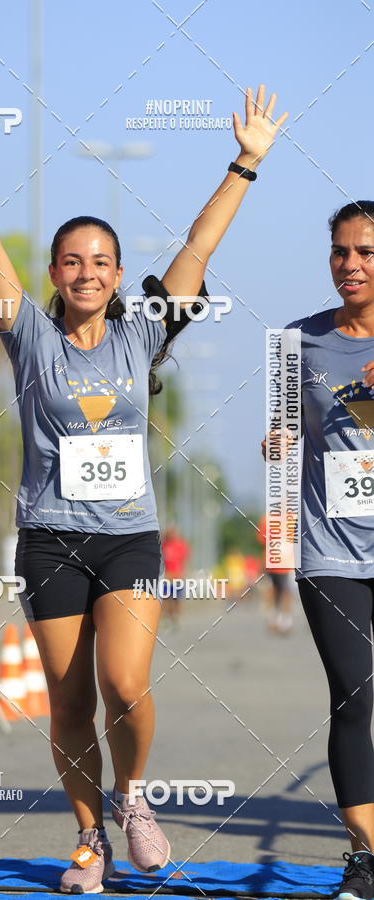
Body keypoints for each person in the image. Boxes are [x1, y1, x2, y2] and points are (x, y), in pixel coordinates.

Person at [0, 75, 286, 893]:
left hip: (128, 537)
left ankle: (133, 796)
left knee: (125, 684)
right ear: (53, 271)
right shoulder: (29, 337)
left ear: (120, 276)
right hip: (49, 537)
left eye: (102, 262)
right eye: (72, 261)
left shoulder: (140, 334)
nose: (87, 273)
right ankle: (91, 840)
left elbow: (195, 250)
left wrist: (245, 163)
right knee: (69, 702)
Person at [262, 201, 374, 899]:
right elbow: (278, 439)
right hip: (331, 551)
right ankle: (365, 857)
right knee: (355, 697)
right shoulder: (294, 342)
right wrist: (274, 444)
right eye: (341, 251)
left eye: (365, 252)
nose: (351, 265)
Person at [257, 515, 294, 635]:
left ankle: (284, 621)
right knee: (273, 591)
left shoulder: (292, 519)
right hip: (272, 562)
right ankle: (275, 619)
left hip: (285, 563)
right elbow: (262, 539)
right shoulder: (266, 520)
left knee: (284, 591)